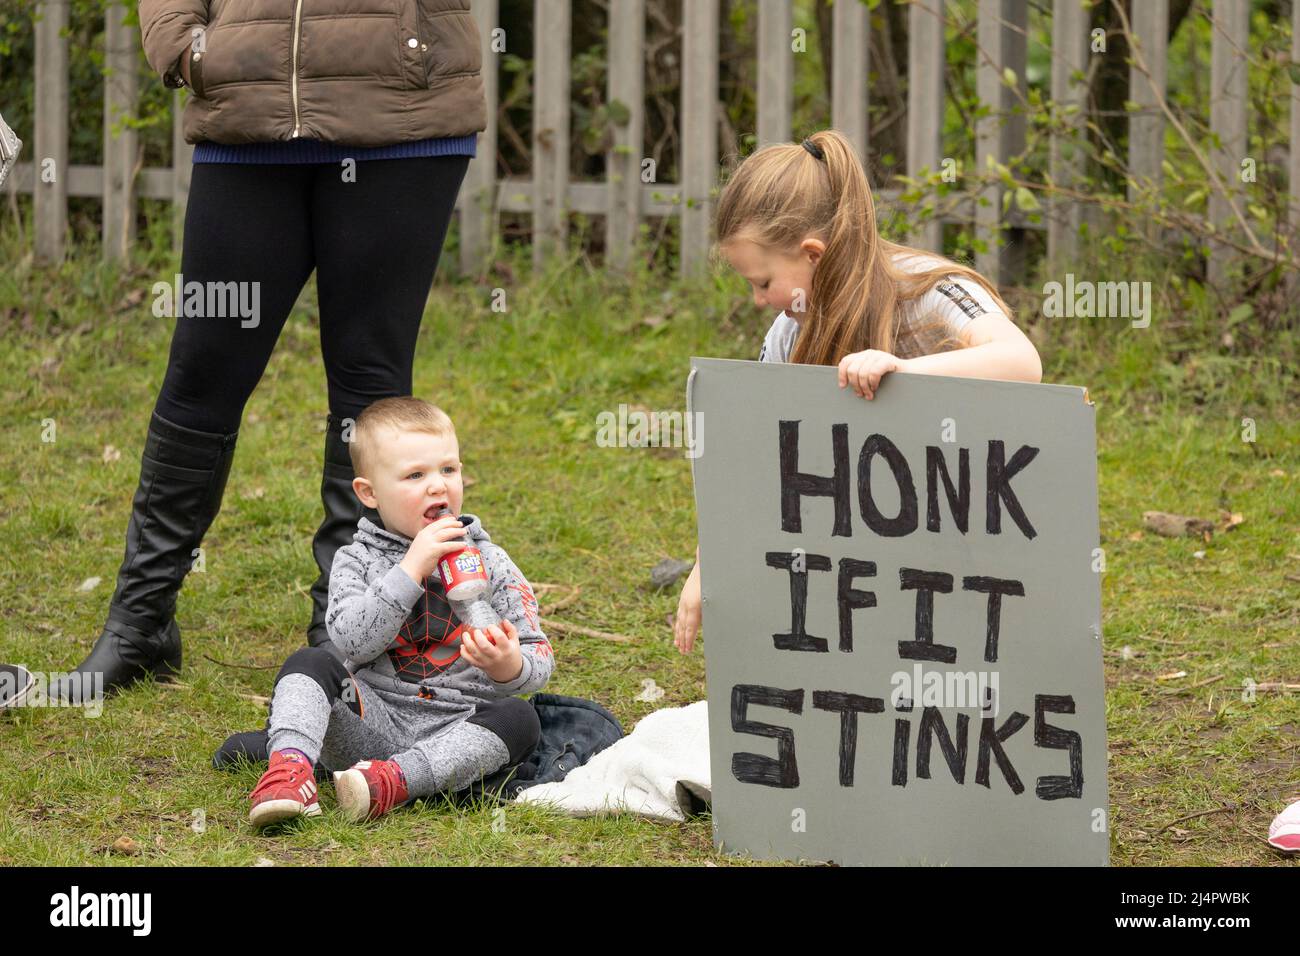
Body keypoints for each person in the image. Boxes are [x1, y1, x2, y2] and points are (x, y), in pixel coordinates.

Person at [61, 1, 485, 700]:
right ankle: (140, 627)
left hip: (398, 111)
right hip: (247, 106)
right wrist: (191, 48)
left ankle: (342, 639)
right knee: (203, 370)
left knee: (369, 385)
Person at [673, 128, 1043, 655]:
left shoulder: (925, 288)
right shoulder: (788, 332)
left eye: (762, 282)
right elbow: (757, 458)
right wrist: (706, 564)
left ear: (813, 255)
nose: (757, 300)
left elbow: (1023, 362)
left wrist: (902, 374)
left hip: (958, 557)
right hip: (853, 570)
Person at [248, 398, 552, 827]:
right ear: (369, 493)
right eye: (415, 475)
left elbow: (539, 654)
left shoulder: (490, 559)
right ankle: (289, 770)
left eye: (449, 469)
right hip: (371, 720)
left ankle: (388, 784)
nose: (437, 486)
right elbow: (351, 640)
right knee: (309, 662)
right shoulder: (356, 560)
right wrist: (411, 569)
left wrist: (509, 664)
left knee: (522, 718)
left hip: (459, 729)